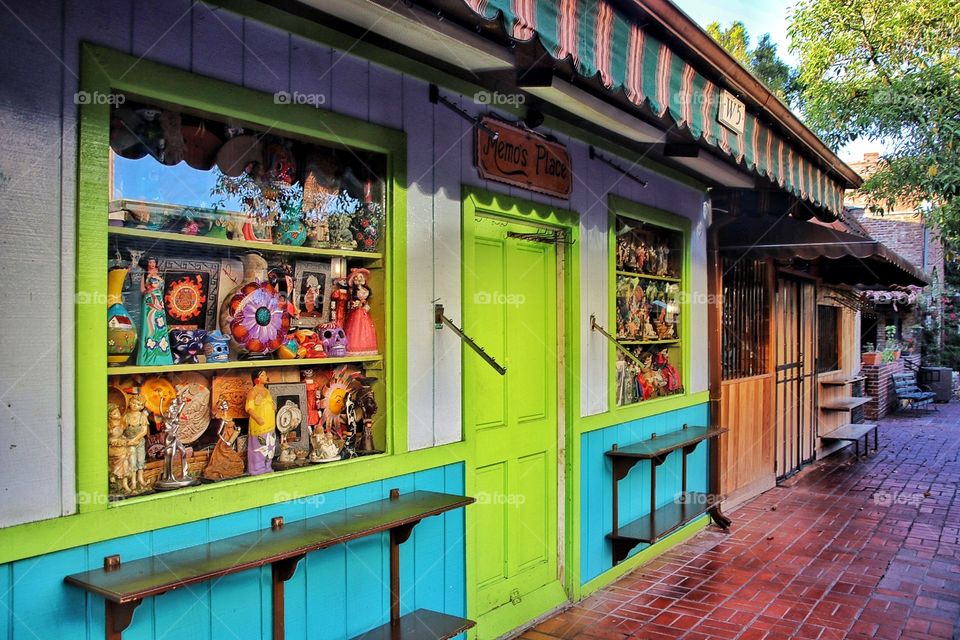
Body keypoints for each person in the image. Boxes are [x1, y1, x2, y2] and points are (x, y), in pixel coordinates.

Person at [136, 257, 173, 366]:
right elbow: (142, 290)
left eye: (153, 262)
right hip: (149, 300)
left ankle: (162, 356)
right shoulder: (145, 273)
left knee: (160, 325)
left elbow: (162, 287)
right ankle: (147, 357)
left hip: (158, 299)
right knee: (149, 325)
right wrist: (149, 292)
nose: (151, 264)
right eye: (149, 262)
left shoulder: (158, 273)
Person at [245, 370, 276, 475]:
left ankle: (267, 466)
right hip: (259, 424)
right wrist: (257, 418)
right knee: (259, 447)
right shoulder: (253, 392)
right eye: (263, 375)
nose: (266, 377)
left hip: (270, 423)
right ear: (257, 379)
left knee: (270, 446)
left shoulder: (266, 391)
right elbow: (249, 408)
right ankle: (257, 469)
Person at [344, 268, 378, 354]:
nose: (359, 279)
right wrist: (356, 304)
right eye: (357, 277)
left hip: (363, 311)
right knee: (356, 328)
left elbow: (365, 301)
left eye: (361, 277)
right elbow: (352, 301)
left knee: (365, 328)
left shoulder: (366, 290)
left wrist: (366, 305)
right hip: (357, 311)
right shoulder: (352, 291)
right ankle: (355, 346)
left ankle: (365, 346)